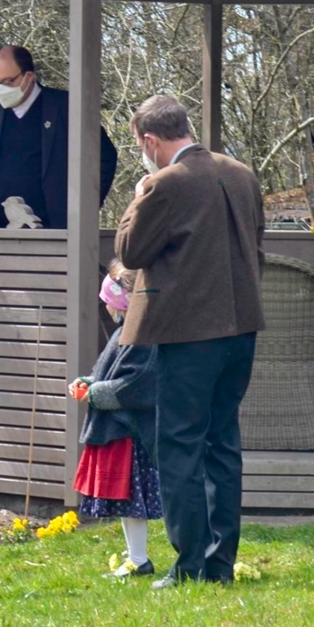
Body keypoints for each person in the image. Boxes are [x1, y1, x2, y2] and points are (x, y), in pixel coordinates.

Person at [115, 95, 265, 589]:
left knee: (179, 443)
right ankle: (221, 563)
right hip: (241, 328)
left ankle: (190, 564)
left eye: (141, 145)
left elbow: (131, 251)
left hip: (187, 332)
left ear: (151, 141)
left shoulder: (163, 183)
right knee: (223, 444)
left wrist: (138, 196)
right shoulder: (241, 173)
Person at [70, 261, 162, 579]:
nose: (106, 305)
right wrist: (89, 381)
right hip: (117, 429)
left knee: (133, 501)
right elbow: (108, 372)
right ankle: (137, 558)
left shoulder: (142, 334)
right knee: (127, 503)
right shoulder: (126, 330)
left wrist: (93, 394)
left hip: (129, 431)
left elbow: (135, 385)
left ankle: (140, 559)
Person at [0, 44, 118, 228]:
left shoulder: (65, 107)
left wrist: (84, 208)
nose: (0, 90)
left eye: (7, 82)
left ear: (29, 76)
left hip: (55, 231)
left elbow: (104, 158)